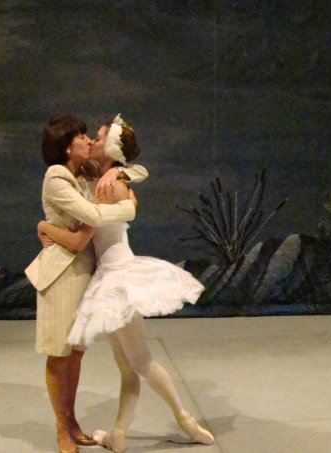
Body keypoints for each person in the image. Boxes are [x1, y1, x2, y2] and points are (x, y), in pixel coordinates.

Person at [38, 115, 214, 453]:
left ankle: (186, 420)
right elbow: (136, 170)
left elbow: (91, 226)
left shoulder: (111, 183)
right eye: (87, 137)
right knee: (126, 367)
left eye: (98, 137)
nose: (92, 140)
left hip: (119, 276)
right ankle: (118, 435)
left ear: (111, 149)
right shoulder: (94, 174)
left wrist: (120, 182)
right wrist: (119, 172)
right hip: (107, 274)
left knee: (141, 362)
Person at [25, 115, 148, 453]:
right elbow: (91, 218)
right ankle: (61, 428)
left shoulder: (89, 170)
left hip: (86, 271)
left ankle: (71, 420)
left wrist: (115, 173)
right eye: (81, 136)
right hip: (62, 274)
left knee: (76, 353)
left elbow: (138, 170)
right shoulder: (57, 176)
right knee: (59, 354)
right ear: (67, 147)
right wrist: (127, 207)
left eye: (89, 135)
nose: (88, 140)